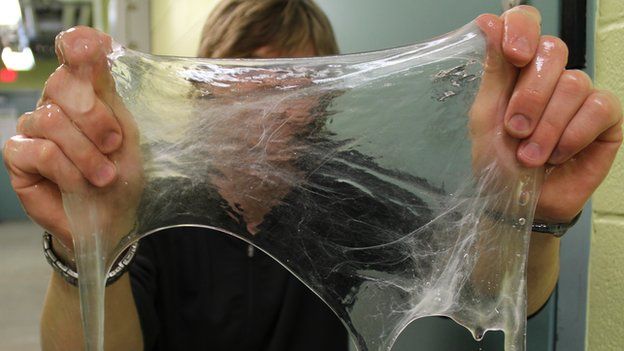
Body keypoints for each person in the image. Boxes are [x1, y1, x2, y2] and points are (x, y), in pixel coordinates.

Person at [2, 1, 622, 350]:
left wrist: (523, 212)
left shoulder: (345, 195)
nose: (270, 97)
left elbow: (484, 288)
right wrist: (90, 243)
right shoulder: (153, 201)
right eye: (248, 72)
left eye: (296, 77)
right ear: (210, 88)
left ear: (323, 100)